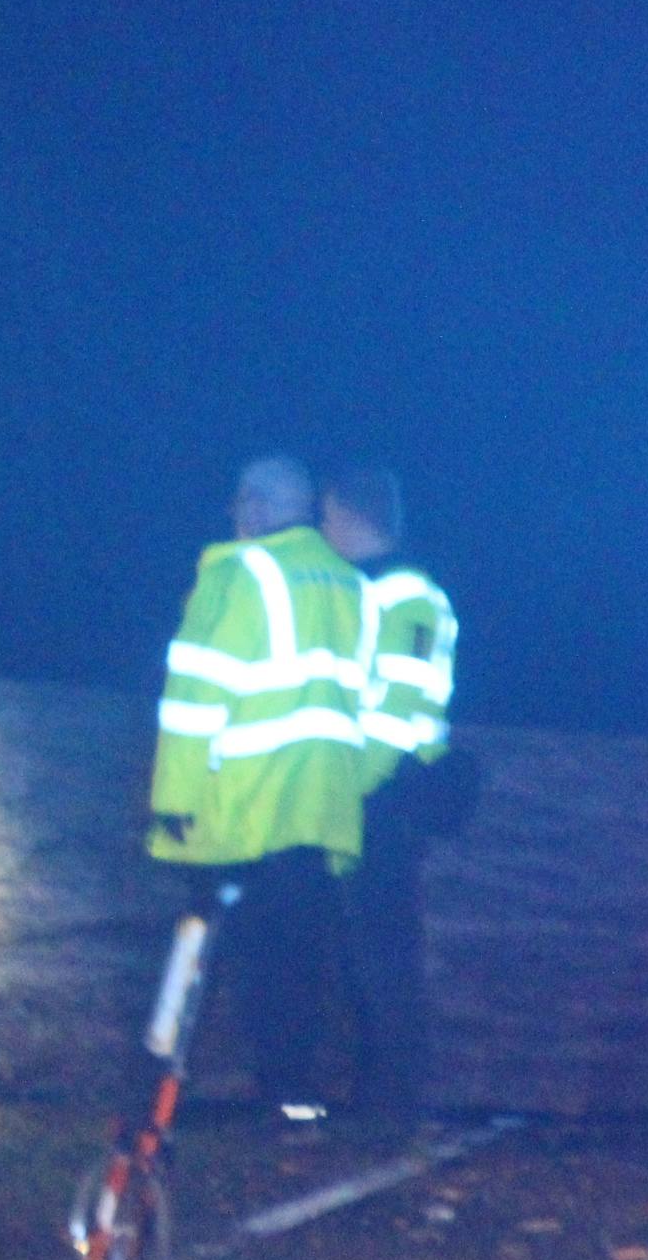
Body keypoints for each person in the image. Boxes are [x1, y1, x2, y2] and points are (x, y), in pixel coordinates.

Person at [151, 455, 371, 1125]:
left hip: (239, 808)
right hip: (320, 811)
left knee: (200, 957)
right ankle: (290, 1099)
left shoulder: (238, 572)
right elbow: (359, 701)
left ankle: (162, 1092)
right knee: (295, 967)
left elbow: (194, 698)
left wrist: (175, 803)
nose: (234, 513)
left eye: (241, 500)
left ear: (255, 504)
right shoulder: (352, 585)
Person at [326, 465, 465, 1127]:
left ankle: (390, 1107)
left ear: (348, 517)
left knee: (383, 964)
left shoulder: (402, 595)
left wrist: (339, 797)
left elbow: (388, 717)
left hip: (381, 802)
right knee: (374, 961)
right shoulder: (386, 591)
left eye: (327, 519)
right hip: (379, 798)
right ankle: (379, 1100)